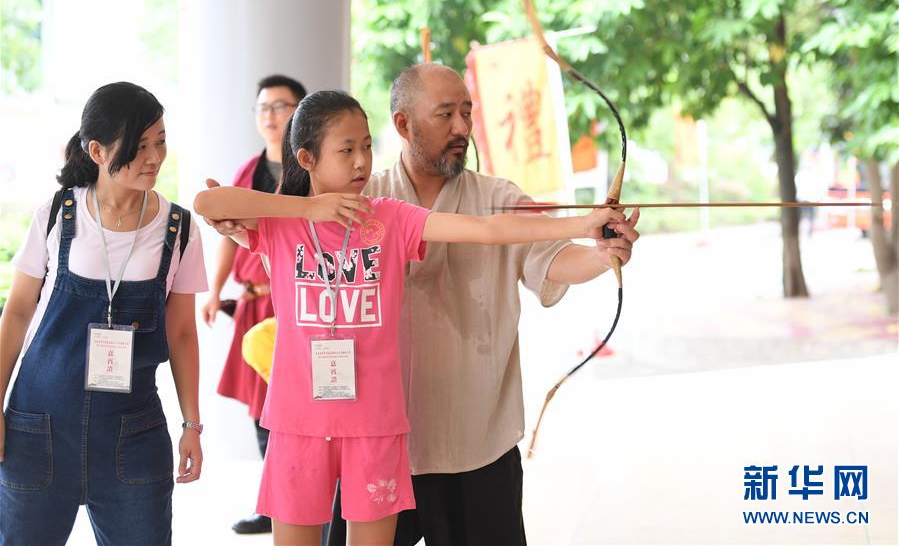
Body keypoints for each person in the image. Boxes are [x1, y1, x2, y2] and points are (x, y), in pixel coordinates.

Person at [193, 89, 633, 546]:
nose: (362, 161)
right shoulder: (280, 222)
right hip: (297, 423)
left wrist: (582, 225)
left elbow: (488, 230)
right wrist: (308, 207)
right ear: (306, 158)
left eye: (366, 146)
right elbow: (207, 205)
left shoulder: (386, 216)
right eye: (347, 150)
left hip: (375, 425)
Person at [0, 82, 206, 545]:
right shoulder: (56, 213)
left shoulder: (180, 228)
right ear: (96, 150)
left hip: (133, 434)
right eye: (139, 146)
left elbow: (183, 334)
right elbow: (15, 315)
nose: (155, 156)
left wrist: (192, 425)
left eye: (160, 141)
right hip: (38, 428)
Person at [200, 74, 306, 535]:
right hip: (256, 307)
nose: (270, 116)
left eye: (281, 107)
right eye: (263, 108)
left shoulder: (310, 173)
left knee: (302, 408)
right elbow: (228, 236)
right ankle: (274, 502)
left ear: (301, 112)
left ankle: (305, 501)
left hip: (300, 307)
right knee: (263, 409)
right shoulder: (248, 172)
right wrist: (214, 289)